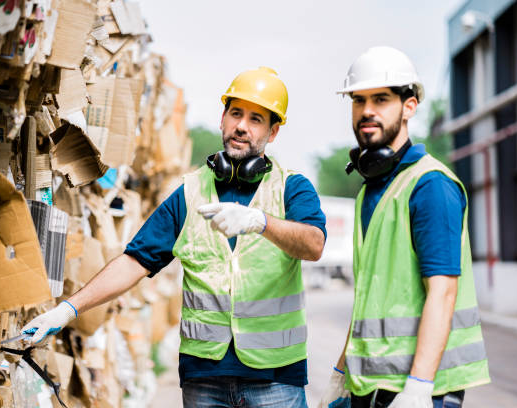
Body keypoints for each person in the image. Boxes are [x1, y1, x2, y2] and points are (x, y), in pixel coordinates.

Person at [23, 67, 326, 408]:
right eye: (236, 113)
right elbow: (135, 260)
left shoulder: (292, 188)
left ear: (273, 132)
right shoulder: (190, 193)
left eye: (256, 119)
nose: (242, 126)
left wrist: (260, 222)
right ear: (223, 118)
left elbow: (313, 244)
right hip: (204, 380)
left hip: (275, 379)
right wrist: (67, 309)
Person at [318, 46, 490, 408]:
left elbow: (442, 292)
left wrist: (418, 387)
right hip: (371, 387)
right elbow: (368, 300)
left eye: (381, 99)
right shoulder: (371, 191)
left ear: (409, 105)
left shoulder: (430, 186)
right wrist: (339, 373)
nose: (367, 111)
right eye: (358, 100)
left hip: (419, 391)